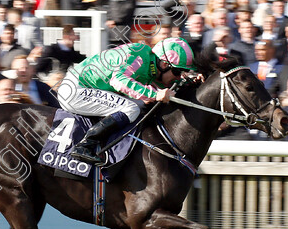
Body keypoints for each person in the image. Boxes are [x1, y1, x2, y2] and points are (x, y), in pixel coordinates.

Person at [57, 37, 196, 163]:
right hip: (75, 90)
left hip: (82, 87)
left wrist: (187, 82)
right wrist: (155, 94)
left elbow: (160, 86)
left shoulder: (149, 62)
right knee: (131, 108)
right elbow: (119, 81)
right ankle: (85, 145)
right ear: (164, 65)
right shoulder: (140, 57)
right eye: (178, 72)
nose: (178, 77)